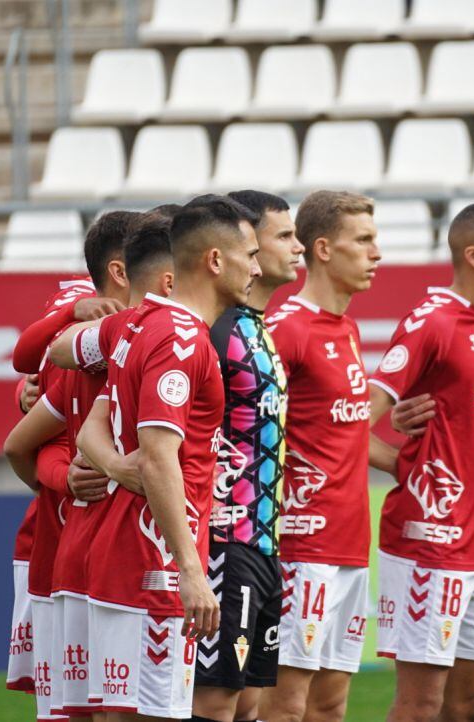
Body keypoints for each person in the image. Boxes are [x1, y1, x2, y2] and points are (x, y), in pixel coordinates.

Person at [82, 195, 260, 721]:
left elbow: (98, 421)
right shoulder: (182, 337)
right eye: (248, 255)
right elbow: (159, 458)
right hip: (152, 560)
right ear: (214, 261)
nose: (256, 267)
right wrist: (189, 568)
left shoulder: (138, 326)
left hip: (122, 555)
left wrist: (114, 467)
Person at [366, 202, 474, 722]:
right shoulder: (431, 321)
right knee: (421, 703)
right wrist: (398, 462)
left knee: (467, 706)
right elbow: (350, 419)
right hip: (429, 543)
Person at [5, 210, 140, 722]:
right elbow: (25, 368)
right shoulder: (81, 320)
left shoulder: (159, 334)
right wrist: (63, 481)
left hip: (121, 548)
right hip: (66, 543)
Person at [258, 190, 381, 722]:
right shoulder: (288, 329)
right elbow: (238, 420)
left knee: (330, 706)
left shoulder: (347, 329)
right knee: (285, 705)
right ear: (325, 249)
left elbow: (339, 433)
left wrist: (403, 462)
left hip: (351, 544)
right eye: (365, 240)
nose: (377, 253)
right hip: (303, 544)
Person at [190, 190, 304, 722]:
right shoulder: (215, 330)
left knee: (250, 704)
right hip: (224, 541)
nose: (296, 247)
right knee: (214, 702)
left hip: (263, 545)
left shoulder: (257, 329)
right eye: (283, 236)